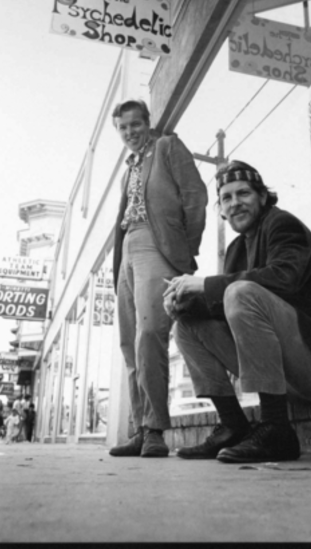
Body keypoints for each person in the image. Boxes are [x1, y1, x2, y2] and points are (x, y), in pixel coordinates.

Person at [164, 160, 311, 463]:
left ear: (263, 196)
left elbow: (283, 279)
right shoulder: (235, 250)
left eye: (243, 193)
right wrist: (183, 302)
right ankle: (233, 424)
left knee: (240, 291)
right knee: (186, 325)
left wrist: (204, 284)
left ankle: (276, 429)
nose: (235, 203)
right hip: (290, 374)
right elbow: (220, 309)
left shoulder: (282, 224)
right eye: (227, 198)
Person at [109, 99, 208, 458]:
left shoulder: (167, 146)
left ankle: (155, 429)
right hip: (126, 252)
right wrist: (117, 262)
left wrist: (185, 251)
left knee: (150, 332)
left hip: (157, 244)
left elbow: (195, 196)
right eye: (123, 128)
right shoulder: (128, 168)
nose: (130, 132)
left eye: (135, 124)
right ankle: (140, 428)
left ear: (148, 123)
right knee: (129, 341)